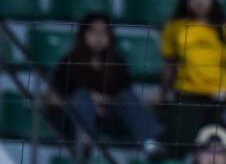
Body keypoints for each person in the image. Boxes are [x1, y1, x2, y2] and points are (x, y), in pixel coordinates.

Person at [46, 12, 163, 156]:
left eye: (103, 32)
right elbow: (52, 98)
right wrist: (88, 101)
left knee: (126, 98)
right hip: (75, 119)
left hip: (106, 117)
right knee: (81, 97)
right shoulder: (69, 62)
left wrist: (102, 102)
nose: (98, 37)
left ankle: (149, 143)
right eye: (93, 31)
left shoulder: (116, 62)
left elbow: (124, 95)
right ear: (83, 34)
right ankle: (85, 139)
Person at [159, 0, 226, 158]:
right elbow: (169, 65)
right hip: (187, 98)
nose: (199, 0)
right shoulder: (174, 28)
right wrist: (162, 93)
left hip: (220, 100)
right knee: (176, 147)